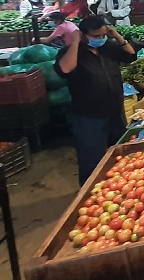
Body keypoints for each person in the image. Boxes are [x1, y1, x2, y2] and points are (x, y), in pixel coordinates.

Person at [54, 16, 137, 183]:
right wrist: (75, 42)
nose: (100, 39)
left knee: (120, 153)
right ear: (83, 35)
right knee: (91, 160)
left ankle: (118, 186)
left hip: (115, 113)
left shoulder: (108, 48)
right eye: (95, 36)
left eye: (102, 35)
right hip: (89, 117)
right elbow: (65, 69)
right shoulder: (71, 53)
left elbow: (131, 55)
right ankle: (90, 191)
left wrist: (116, 35)